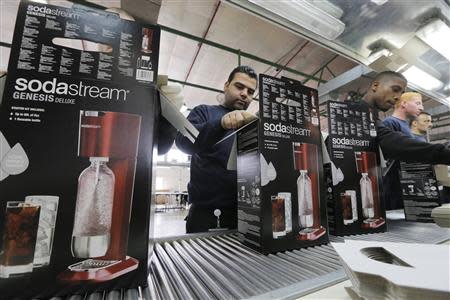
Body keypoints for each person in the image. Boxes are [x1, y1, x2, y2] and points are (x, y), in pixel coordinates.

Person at [175, 66, 258, 233]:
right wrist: (221, 124)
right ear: (226, 85)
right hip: (206, 215)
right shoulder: (205, 112)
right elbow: (183, 142)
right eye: (239, 87)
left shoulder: (251, 124)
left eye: (250, 92)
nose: (244, 94)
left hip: (246, 214)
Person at [360, 71, 450, 210]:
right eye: (395, 89)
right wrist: (443, 153)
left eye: (400, 93)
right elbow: (395, 143)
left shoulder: (372, 118)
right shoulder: (357, 115)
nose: (397, 97)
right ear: (375, 85)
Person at [382, 92, 423, 210]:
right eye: (418, 103)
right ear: (404, 104)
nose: (421, 107)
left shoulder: (405, 126)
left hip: (404, 182)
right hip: (393, 185)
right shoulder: (390, 123)